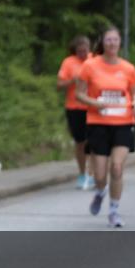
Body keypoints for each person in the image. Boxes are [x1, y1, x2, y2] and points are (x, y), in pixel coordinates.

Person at [76, 27, 135, 228]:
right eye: (108, 40)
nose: (112, 43)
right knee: (101, 175)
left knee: (117, 168)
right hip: (98, 124)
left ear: (120, 42)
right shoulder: (89, 66)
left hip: (123, 123)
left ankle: (114, 211)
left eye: (115, 40)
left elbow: (134, 93)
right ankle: (100, 192)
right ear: (103, 43)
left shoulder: (129, 69)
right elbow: (79, 94)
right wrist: (95, 103)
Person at [58, 35, 94, 190]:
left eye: (85, 50)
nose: (83, 54)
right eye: (80, 51)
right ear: (75, 51)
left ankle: (92, 174)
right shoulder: (69, 62)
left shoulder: (95, 60)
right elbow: (59, 84)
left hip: (92, 107)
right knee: (80, 142)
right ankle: (82, 174)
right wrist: (72, 80)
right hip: (74, 107)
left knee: (92, 141)